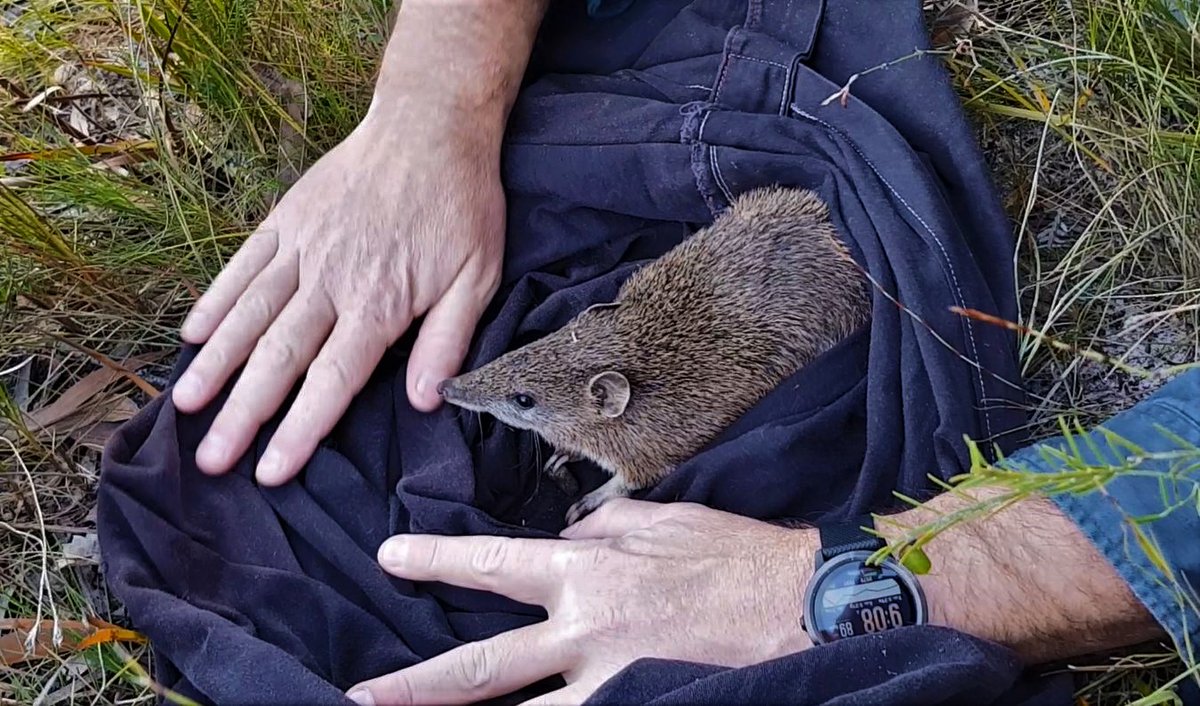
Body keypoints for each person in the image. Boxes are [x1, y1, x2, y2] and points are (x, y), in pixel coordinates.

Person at [167, 1, 1200, 704]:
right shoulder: (606, 344)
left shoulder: (637, 416)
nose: (482, 403)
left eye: (526, 406)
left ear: (608, 395)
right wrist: (433, 107)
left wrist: (841, 589)